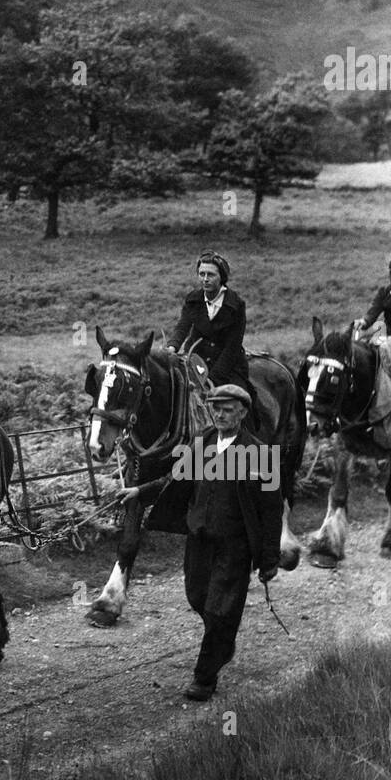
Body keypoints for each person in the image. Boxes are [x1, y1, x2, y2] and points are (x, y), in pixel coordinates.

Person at [117, 384, 282, 702]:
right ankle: (223, 639)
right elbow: (173, 479)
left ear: (243, 412)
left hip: (235, 547)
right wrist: (139, 492)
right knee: (197, 597)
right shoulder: (202, 443)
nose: (220, 414)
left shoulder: (261, 454)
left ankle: (204, 678)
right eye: (215, 408)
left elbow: (271, 511)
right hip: (199, 541)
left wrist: (269, 559)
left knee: (220, 610)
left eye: (228, 409)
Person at [167, 251, 252, 395]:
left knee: (239, 401)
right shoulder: (193, 299)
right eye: (202, 274)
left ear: (222, 277)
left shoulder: (236, 305)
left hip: (227, 366)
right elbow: (182, 327)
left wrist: (213, 378)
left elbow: (233, 345)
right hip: (195, 361)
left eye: (211, 275)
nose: (205, 279)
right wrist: (172, 347)